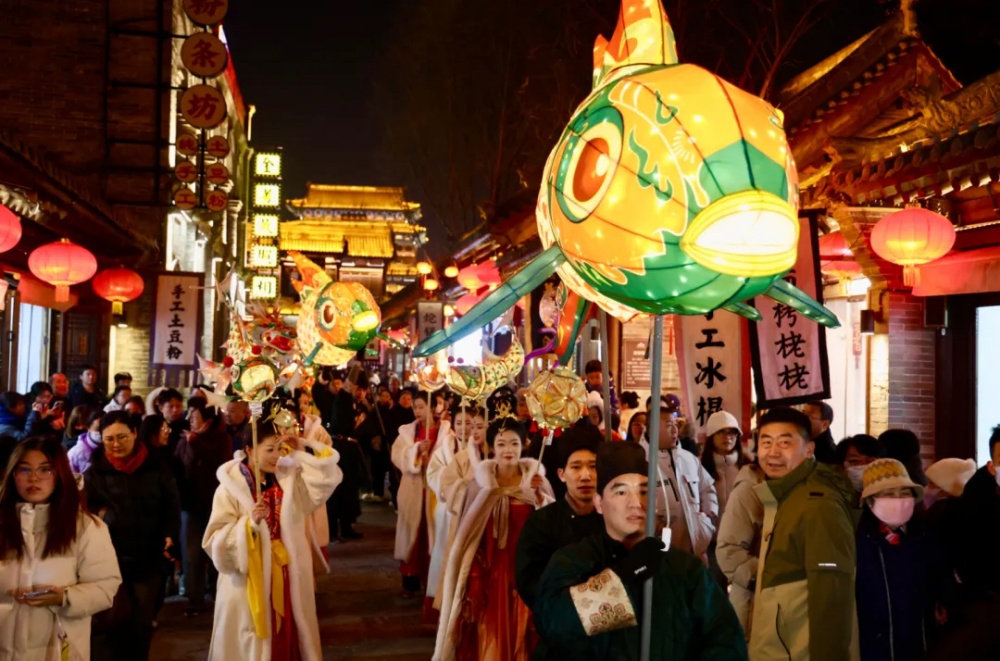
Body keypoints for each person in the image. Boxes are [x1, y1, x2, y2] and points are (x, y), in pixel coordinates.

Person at [533, 441, 747, 659]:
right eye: (621, 492)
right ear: (599, 503)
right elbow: (555, 626)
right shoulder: (573, 562)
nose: (636, 503)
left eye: (644, 491)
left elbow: (725, 639)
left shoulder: (685, 568)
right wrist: (629, 574)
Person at [203, 419, 342, 660]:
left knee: (291, 633)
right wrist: (248, 526)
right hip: (250, 579)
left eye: (279, 449)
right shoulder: (230, 488)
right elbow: (214, 540)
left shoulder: (289, 477)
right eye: (269, 449)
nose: (276, 456)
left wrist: (301, 449)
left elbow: (324, 484)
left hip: (289, 572)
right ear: (249, 450)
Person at [434, 416, 554, 660]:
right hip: (490, 572)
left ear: (524, 445)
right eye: (501, 444)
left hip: (526, 572)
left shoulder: (536, 482)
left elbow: (551, 527)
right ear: (491, 447)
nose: (508, 450)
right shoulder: (479, 485)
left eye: (514, 444)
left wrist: (539, 497)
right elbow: (467, 535)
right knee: (489, 631)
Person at [749, 408, 857, 661]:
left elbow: (832, 594)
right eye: (766, 442)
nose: (773, 452)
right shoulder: (784, 494)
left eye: (785, 442)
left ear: (809, 449)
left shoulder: (818, 504)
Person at [0, 438, 122, 660]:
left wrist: (64, 597)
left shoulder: (86, 528)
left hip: (57, 648)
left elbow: (105, 587)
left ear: (60, 475)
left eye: (45, 469)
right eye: (24, 469)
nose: (33, 478)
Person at [84, 411, 181, 661]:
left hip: (148, 557)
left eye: (121, 437)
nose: (115, 444)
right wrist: (103, 514)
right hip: (108, 559)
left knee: (140, 622)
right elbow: (87, 511)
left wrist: (170, 534)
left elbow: (171, 502)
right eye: (108, 439)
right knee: (109, 620)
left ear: (134, 434)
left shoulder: (156, 464)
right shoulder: (95, 472)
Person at [515, 425, 604, 660]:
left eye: (593, 466)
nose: (585, 475)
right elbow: (529, 582)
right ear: (562, 474)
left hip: (608, 636)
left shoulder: (613, 520)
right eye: (576, 467)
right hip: (559, 636)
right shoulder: (542, 522)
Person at [855, 458, 938, 661]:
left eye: (904, 493)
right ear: (870, 500)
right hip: (874, 645)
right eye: (889, 494)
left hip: (921, 641)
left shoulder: (925, 534)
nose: (899, 499)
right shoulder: (857, 539)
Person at [639, 401, 718, 558]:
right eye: (669, 425)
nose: (675, 429)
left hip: (696, 549)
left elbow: (707, 488)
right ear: (652, 429)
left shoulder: (689, 459)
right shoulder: (641, 462)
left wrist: (707, 519)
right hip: (660, 553)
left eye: (675, 424)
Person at [175, 398, 231, 617]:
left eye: (195, 416)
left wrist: (196, 441)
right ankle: (194, 598)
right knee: (192, 553)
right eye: (189, 415)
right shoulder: (186, 439)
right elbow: (181, 465)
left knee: (217, 550)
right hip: (191, 504)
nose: (190, 419)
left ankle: (219, 594)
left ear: (208, 421)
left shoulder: (221, 439)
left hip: (215, 505)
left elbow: (218, 463)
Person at [426, 402, 478, 605]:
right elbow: (432, 474)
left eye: (468, 422)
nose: (464, 427)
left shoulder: (482, 447)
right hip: (449, 508)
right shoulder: (444, 449)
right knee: (446, 552)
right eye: (459, 422)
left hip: (474, 509)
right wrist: (455, 484)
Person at [393, 391, 441, 598]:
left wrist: (432, 459)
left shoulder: (445, 432)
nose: (418, 411)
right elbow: (397, 455)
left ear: (432, 407)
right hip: (413, 489)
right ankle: (410, 581)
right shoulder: (406, 432)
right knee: (411, 532)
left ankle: (432, 582)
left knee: (433, 535)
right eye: (415, 407)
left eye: (422, 406)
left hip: (434, 491)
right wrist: (415, 451)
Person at [715, 459, 766, 640]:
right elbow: (728, 551)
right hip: (752, 602)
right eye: (768, 442)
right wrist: (768, 575)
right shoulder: (749, 490)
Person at [67, 410, 105, 475]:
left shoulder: (116, 449)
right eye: (98, 429)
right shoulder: (74, 454)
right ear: (88, 428)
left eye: (105, 429)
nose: (103, 433)